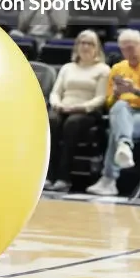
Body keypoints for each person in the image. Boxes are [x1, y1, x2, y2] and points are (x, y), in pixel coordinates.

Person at [87, 28, 140, 197]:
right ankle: (124, 145)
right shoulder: (118, 68)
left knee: (117, 129)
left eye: (131, 47)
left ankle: (109, 179)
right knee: (119, 108)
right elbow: (109, 103)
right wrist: (117, 94)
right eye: (124, 48)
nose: (128, 52)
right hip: (123, 111)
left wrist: (136, 91)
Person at [46, 30, 110, 192]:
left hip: (87, 111)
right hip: (64, 107)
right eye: (82, 43)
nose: (85, 46)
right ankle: (48, 176)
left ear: (97, 48)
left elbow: (100, 98)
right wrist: (57, 104)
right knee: (51, 120)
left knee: (72, 124)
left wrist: (80, 107)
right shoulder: (67, 68)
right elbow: (55, 92)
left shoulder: (103, 69)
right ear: (77, 46)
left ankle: (63, 177)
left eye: (90, 43)